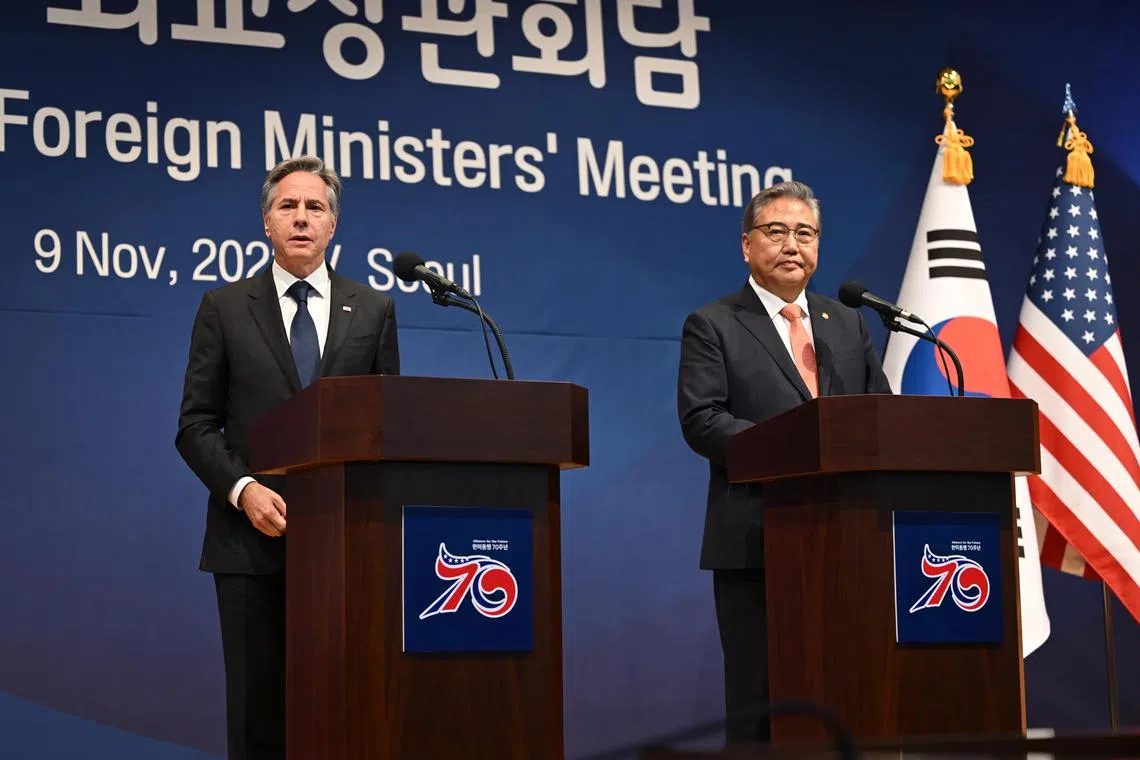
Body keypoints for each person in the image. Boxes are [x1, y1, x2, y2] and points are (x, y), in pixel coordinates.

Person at [175, 155, 400, 760]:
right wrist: (243, 489)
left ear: (334, 226)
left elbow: (386, 427)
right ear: (266, 224)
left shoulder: (373, 309)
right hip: (249, 544)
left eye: (315, 207)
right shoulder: (224, 308)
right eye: (288, 206)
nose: (301, 217)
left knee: (345, 714)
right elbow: (195, 425)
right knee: (258, 720)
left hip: (345, 548)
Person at [676, 181, 891, 743]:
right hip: (756, 539)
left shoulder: (848, 323)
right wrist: (797, 449)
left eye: (806, 233)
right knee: (761, 701)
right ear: (746, 245)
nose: (792, 244)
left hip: (848, 542)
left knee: (849, 695)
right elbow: (703, 420)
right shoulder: (714, 323)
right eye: (776, 231)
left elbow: (881, 417)